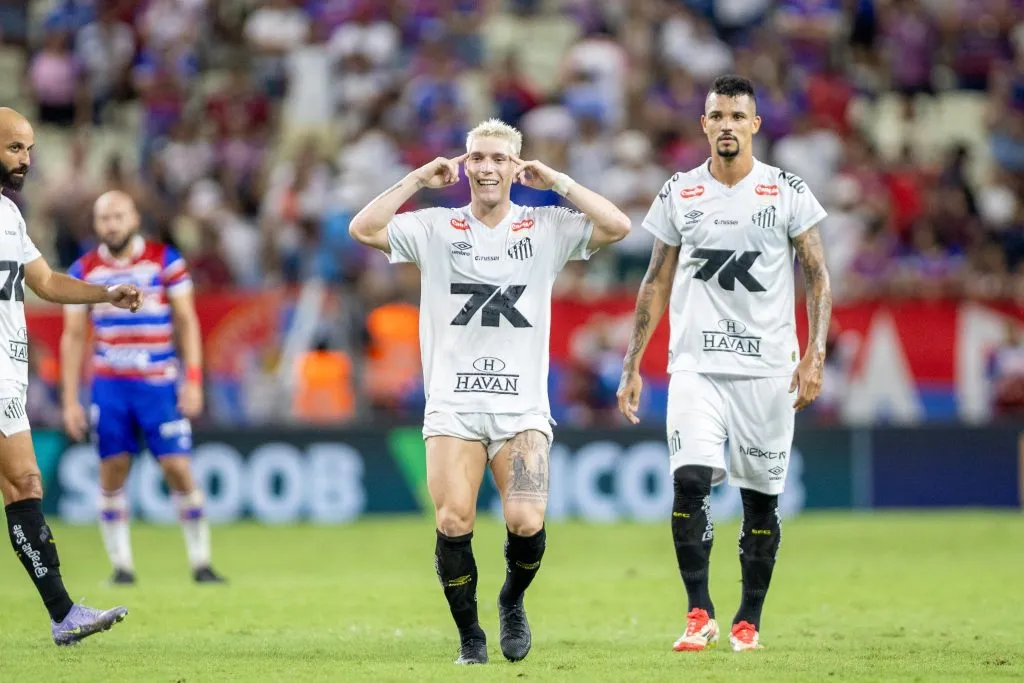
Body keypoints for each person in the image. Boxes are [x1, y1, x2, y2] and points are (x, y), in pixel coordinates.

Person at [349, 118, 630, 664]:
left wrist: (558, 182)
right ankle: (471, 638)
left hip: (521, 409)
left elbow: (618, 226)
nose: (486, 167)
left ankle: (511, 599)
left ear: (516, 166)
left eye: (499, 158)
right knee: (454, 519)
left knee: (526, 522)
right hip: (454, 407)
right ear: (464, 165)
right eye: (477, 157)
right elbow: (364, 228)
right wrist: (414, 180)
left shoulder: (544, 226)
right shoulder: (436, 227)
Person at [616, 75, 832, 652]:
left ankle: (748, 620)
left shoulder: (786, 190)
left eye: (739, 116)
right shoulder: (679, 191)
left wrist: (815, 354)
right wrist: (633, 361)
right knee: (689, 482)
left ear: (755, 124)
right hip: (695, 365)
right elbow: (656, 277)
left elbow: (816, 274)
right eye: (718, 116)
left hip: (768, 368)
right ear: (704, 124)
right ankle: (698, 612)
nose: (728, 125)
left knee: (761, 497)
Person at [0, 106, 139, 645]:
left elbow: (47, 282)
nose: (26, 160)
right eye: (15, 148)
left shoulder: (9, 216)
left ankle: (63, 615)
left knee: (25, 485)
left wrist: (105, 294)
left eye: (30, 149)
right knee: (22, 483)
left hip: (8, 374)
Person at [61, 190, 226, 586]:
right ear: (96, 224)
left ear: (134, 218)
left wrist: (193, 379)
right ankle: (122, 568)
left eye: (118, 215)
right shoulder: (82, 270)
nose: (111, 224)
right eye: (104, 218)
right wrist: (70, 400)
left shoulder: (165, 261)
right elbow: (73, 335)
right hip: (110, 386)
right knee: (113, 468)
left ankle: (201, 562)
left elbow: (186, 321)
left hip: (158, 383)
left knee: (177, 467)